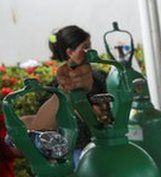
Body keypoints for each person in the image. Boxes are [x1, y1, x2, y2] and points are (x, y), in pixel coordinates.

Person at [28, 25, 106, 160]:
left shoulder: (99, 77)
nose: (90, 51)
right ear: (70, 52)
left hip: (101, 146)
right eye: (85, 47)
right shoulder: (56, 87)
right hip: (76, 151)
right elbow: (42, 127)